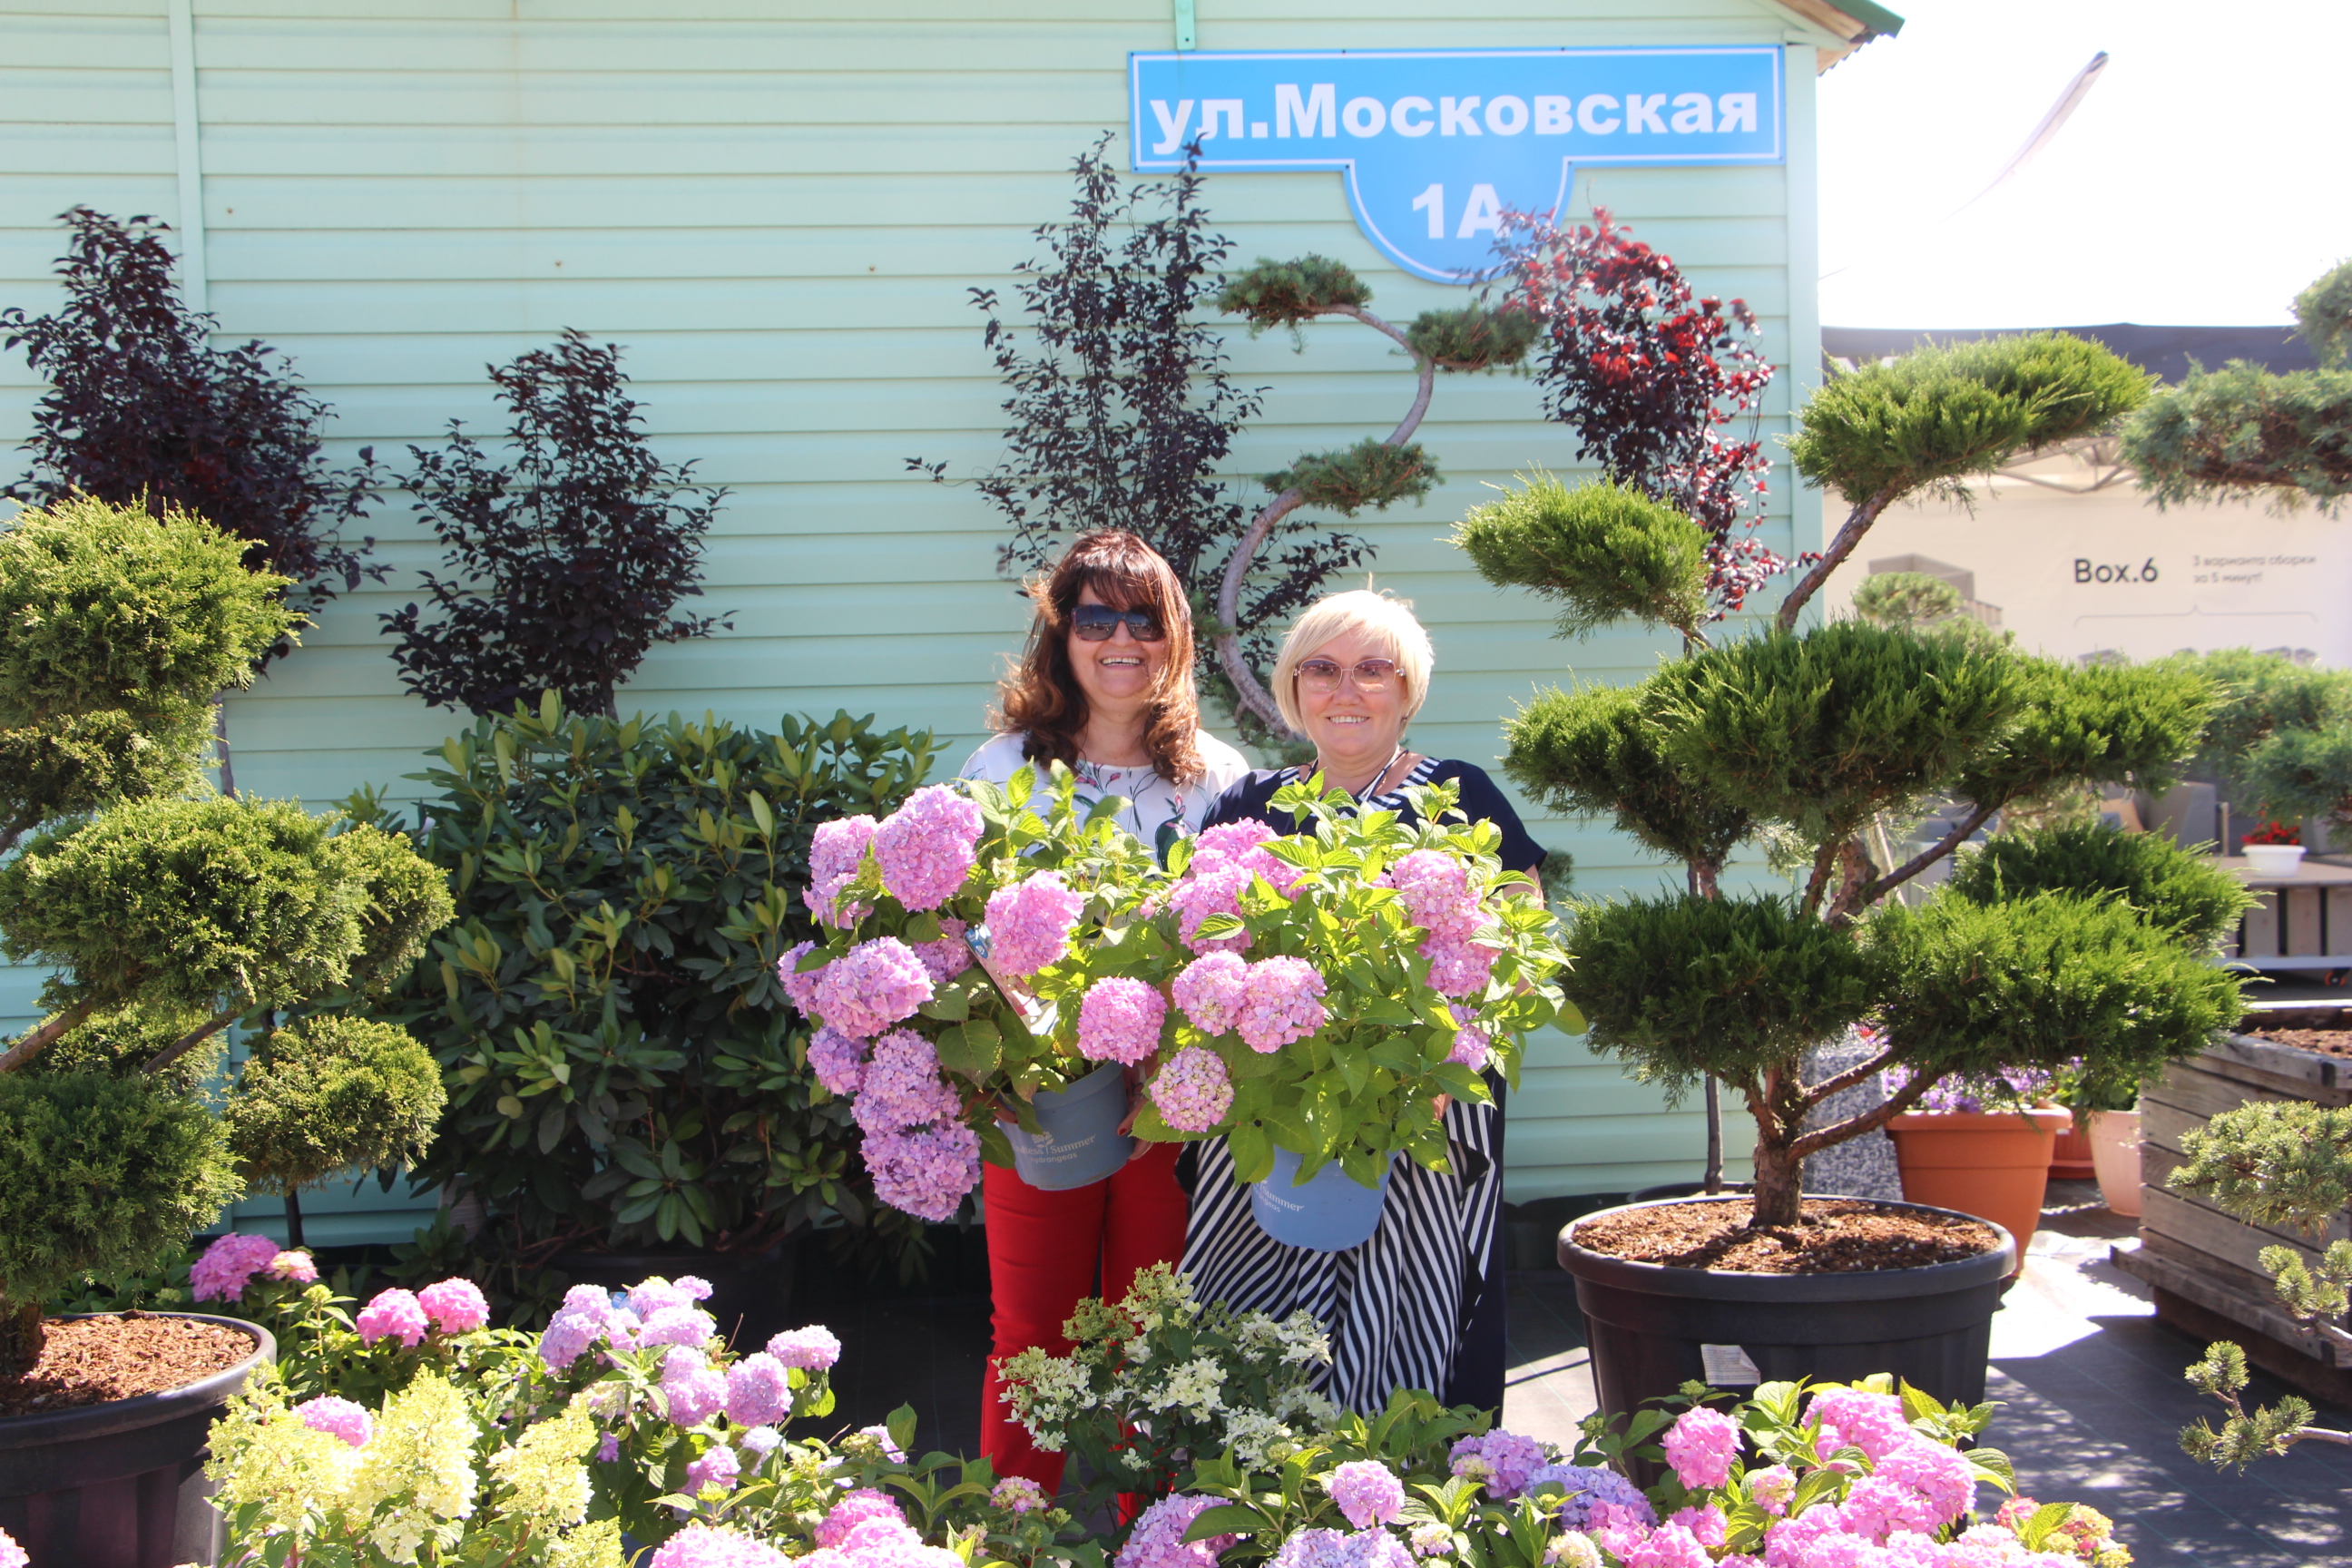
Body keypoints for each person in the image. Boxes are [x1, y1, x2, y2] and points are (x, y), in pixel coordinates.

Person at [1178, 588, 1545, 1415]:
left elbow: (1522, 956)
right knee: (1262, 1310)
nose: (1346, 691)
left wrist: (1437, 1050)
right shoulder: (1249, 807)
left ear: (1408, 689)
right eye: (1322, 669)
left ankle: (1407, 1465)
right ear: (1293, 686)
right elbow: (1194, 953)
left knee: (1408, 1310)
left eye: (1373, 670)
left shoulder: (1460, 797)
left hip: (1418, 1113)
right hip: (1275, 1117)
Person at [959, 529, 1251, 1492]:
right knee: (1031, 1333)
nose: (1120, 640)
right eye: (1095, 619)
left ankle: (1151, 1535)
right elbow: (960, 928)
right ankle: (1017, 1535)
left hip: (1175, 1108)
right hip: (1041, 1096)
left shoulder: (1218, 778)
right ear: (1062, 636)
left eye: (1144, 621)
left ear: (1176, 638)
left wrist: (1176, 1067)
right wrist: (1022, 1050)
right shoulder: (1002, 766)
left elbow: (1249, 938)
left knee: (1154, 1336)